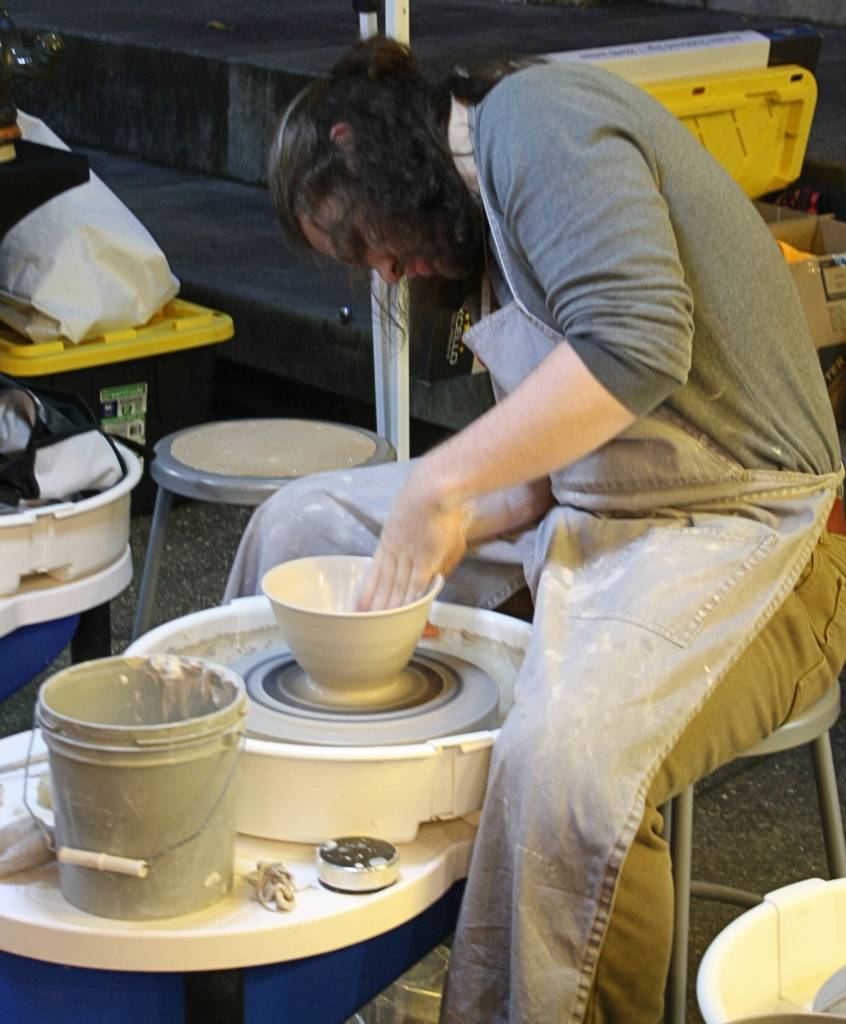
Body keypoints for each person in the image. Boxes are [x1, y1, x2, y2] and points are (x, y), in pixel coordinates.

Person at [225, 37, 846, 1023]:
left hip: (760, 525)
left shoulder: (533, 125)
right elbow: (575, 468)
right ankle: (313, 892)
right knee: (300, 527)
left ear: (366, 144)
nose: (383, 273)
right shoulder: (487, 229)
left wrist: (440, 482)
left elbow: (636, 344)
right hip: (610, 515)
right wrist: (471, 510)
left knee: (567, 766)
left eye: (361, 241)